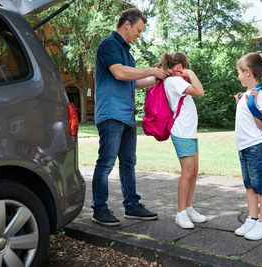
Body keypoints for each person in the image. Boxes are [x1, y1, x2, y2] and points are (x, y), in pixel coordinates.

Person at [92, 8, 171, 226]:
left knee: (128, 163)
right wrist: (150, 71)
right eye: (138, 30)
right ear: (127, 24)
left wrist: (157, 77)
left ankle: (132, 206)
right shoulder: (109, 44)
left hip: (126, 115)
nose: (139, 35)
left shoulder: (128, 53)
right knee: (106, 163)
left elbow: (133, 82)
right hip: (111, 114)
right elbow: (119, 73)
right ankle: (99, 209)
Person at [156, 52, 206, 229]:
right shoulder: (175, 81)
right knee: (188, 172)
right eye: (180, 66)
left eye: (183, 66)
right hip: (182, 132)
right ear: (176, 67)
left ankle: (188, 207)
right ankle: (180, 212)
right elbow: (200, 92)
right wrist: (190, 73)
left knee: (193, 172)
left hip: (189, 132)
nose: (181, 69)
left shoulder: (175, 81)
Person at [233, 52, 262, 240]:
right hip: (245, 148)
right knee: (249, 186)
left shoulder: (259, 95)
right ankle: (252, 218)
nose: (238, 76)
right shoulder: (247, 95)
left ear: (247, 72)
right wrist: (242, 103)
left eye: (239, 73)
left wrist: (253, 104)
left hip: (257, 148)